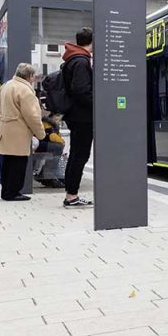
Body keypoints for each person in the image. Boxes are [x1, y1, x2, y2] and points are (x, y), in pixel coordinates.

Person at [0, 63, 45, 201]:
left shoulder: (6, 86)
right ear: (29, 76)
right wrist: (40, 134)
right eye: (33, 76)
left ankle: (6, 191)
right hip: (19, 132)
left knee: (8, 163)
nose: (34, 79)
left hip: (6, 130)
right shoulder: (25, 90)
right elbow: (32, 115)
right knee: (18, 163)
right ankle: (13, 192)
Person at [62, 27, 94, 207]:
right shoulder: (81, 61)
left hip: (75, 115)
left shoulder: (72, 59)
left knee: (76, 154)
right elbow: (81, 91)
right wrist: (98, 104)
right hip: (82, 117)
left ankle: (70, 194)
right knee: (80, 155)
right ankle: (72, 196)